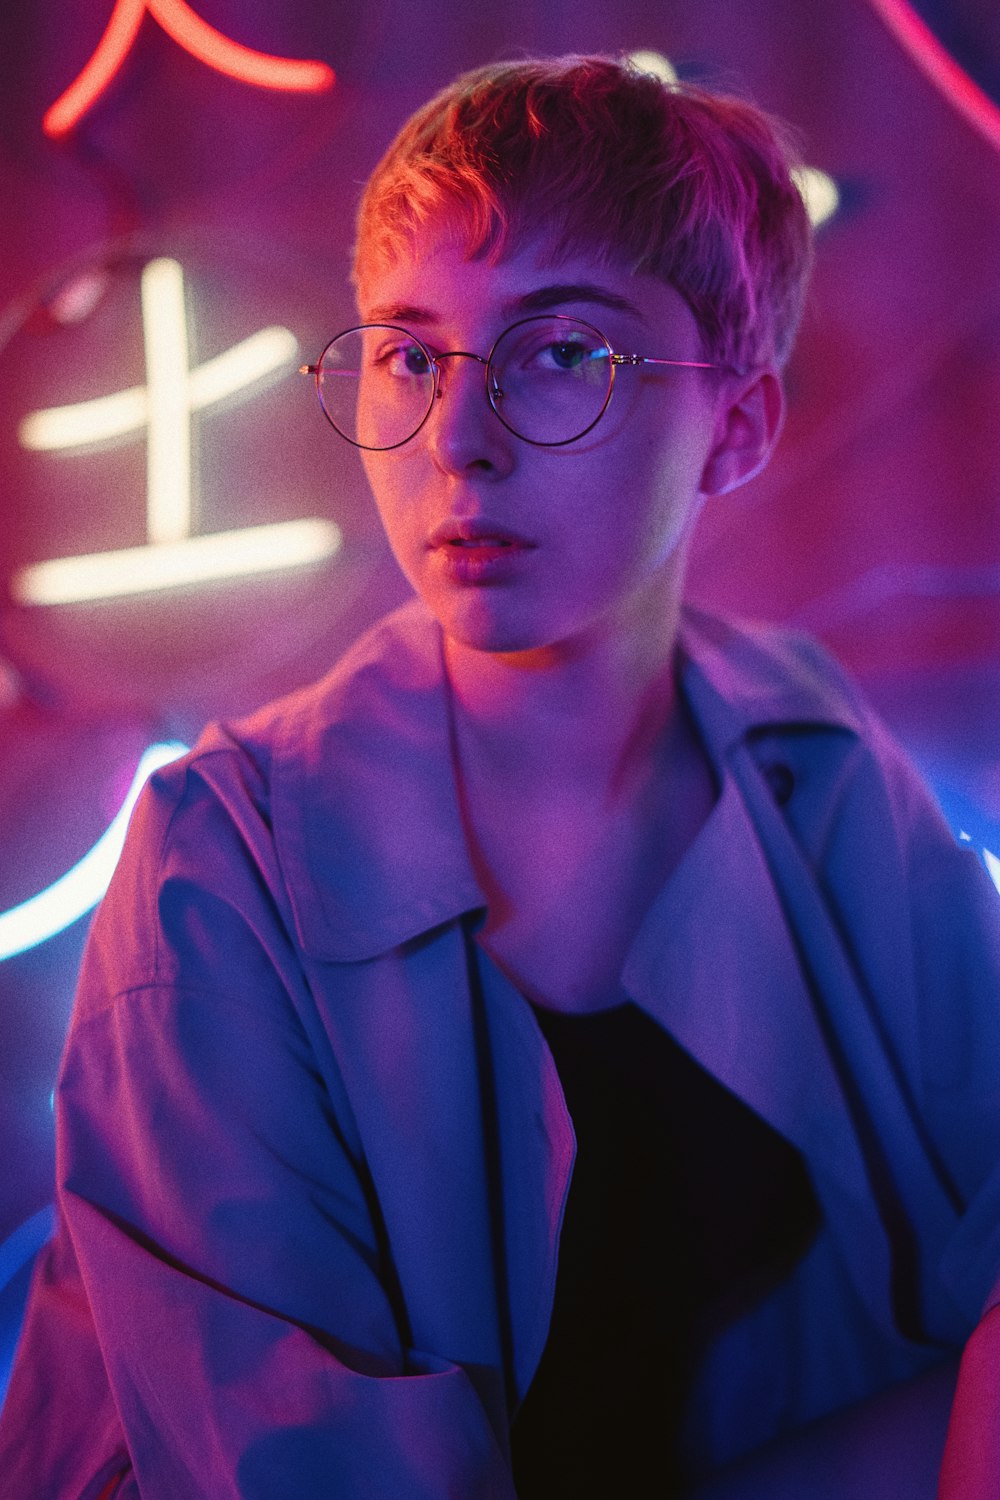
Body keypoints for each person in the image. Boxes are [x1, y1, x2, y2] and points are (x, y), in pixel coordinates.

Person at [1, 52, 999, 1500]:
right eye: (412, 353)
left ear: (738, 425)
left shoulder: (813, 758)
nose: (459, 444)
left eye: (563, 353)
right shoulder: (220, 859)